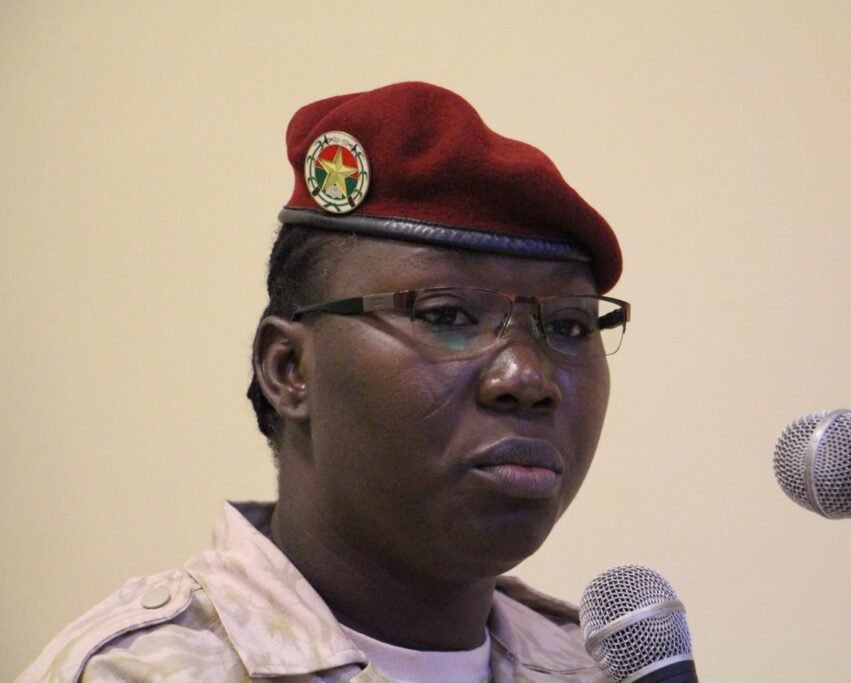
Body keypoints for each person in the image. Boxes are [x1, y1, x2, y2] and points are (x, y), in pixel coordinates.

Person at [18, 81, 629, 682]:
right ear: (289, 369)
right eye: (447, 316)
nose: (528, 377)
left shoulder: (600, 672)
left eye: (570, 326)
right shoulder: (132, 673)